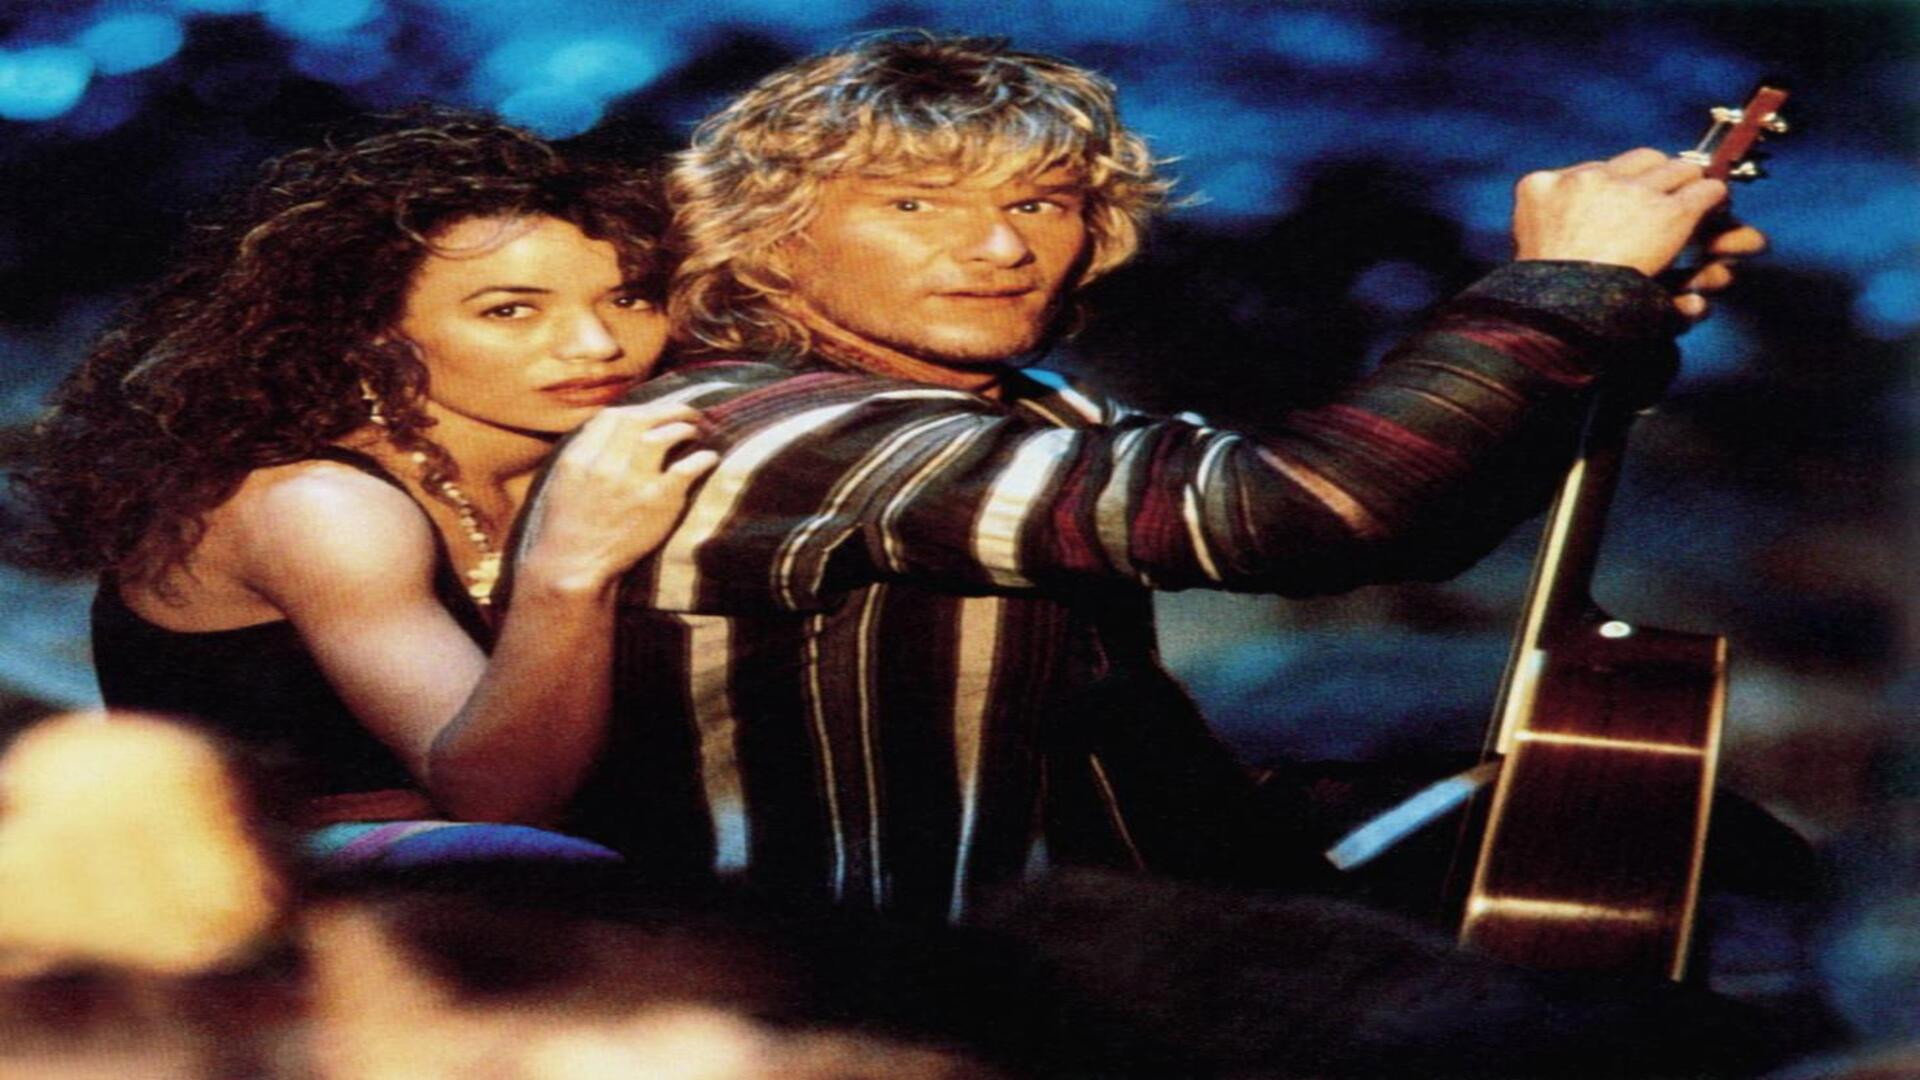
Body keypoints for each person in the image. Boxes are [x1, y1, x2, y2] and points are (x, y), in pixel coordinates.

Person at [529, 32, 1766, 920]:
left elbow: (1414, 520)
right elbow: (1309, 512)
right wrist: (1558, 290)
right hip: (874, 977)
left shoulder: (1026, 409)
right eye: (913, 204)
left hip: (1069, 926)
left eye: (1043, 203)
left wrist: (1601, 333)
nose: (999, 246)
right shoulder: (793, 433)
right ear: (769, 237)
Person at [8, 113, 716, 870]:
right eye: (510, 310)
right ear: (372, 329)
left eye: (628, 299)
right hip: (284, 882)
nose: (596, 344)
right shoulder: (318, 505)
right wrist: (570, 573)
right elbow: (500, 805)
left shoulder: (593, 457)